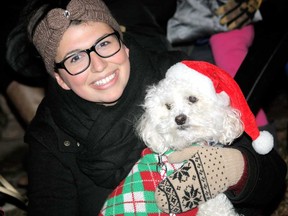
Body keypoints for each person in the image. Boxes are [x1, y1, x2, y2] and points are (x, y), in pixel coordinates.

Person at [20, 0, 286, 215]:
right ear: (60, 79)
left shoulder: (177, 77)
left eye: (103, 44)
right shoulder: (49, 135)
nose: (99, 65)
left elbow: (272, 175)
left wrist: (234, 167)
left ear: (123, 45)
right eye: (75, 58)